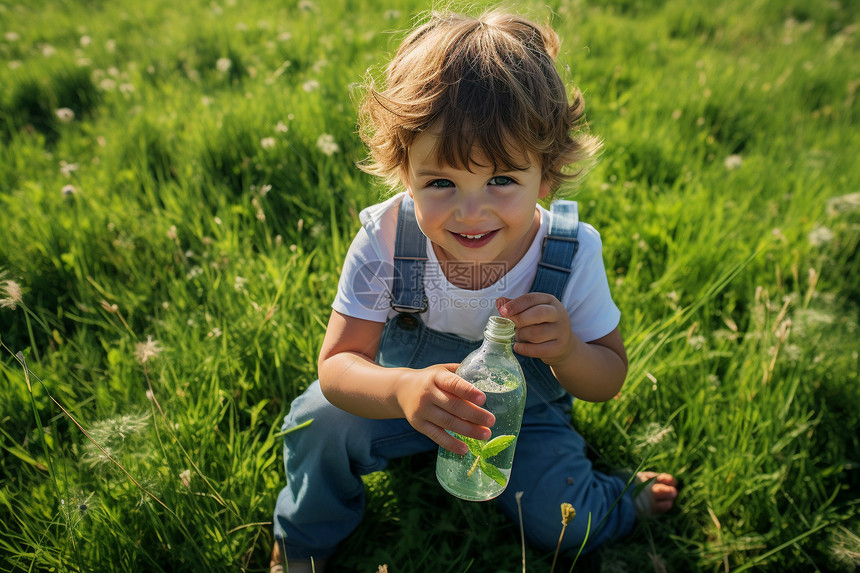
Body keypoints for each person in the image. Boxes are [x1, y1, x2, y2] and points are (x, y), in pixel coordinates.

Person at [270, 8, 678, 572]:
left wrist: (565, 351)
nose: (470, 211)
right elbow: (338, 364)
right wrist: (405, 393)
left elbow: (607, 377)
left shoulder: (570, 251)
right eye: (440, 182)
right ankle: (301, 545)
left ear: (548, 173)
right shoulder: (388, 238)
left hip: (523, 415)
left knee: (567, 523)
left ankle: (619, 503)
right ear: (403, 169)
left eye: (502, 180)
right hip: (408, 399)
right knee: (317, 421)